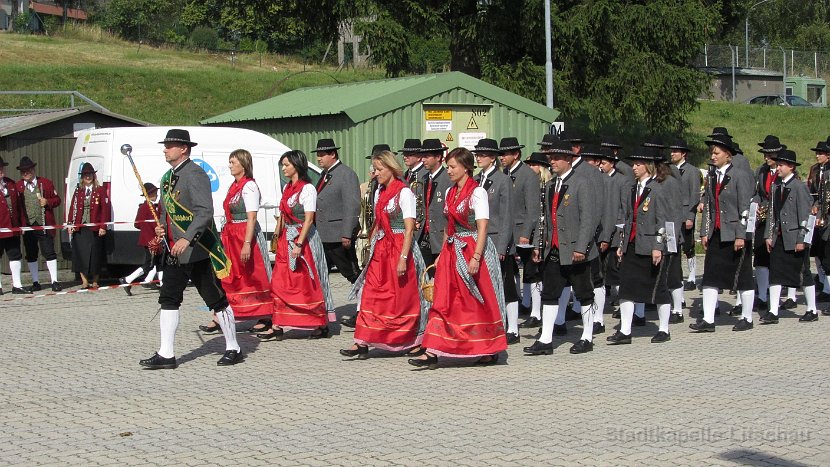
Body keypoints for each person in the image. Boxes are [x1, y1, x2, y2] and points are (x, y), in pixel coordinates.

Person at [139, 129, 243, 369]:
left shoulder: (195, 174)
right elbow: (166, 212)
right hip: (174, 249)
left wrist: (187, 238)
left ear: (183, 148)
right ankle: (167, 354)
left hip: (197, 248)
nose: (165, 149)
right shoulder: (167, 177)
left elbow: (204, 211)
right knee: (168, 297)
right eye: (165, 145)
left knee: (215, 298)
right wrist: (162, 229)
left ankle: (233, 346)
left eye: (169, 145)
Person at [408, 147, 507, 369]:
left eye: (453, 167)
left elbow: (482, 227)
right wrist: (443, 253)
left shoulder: (477, 192)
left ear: (466, 168)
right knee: (445, 299)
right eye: (448, 167)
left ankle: (486, 348)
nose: (449, 171)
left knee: (476, 301)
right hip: (454, 249)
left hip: (472, 247)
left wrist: (476, 257)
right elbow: (447, 227)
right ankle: (433, 350)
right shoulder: (451, 192)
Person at [340, 150, 429, 359]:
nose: (376, 173)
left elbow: (409, 229)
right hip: (381, 249)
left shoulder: (404, 193)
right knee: (371, 294)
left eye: (380, 169)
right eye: (375, 169)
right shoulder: (381, 192)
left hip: (399, 248)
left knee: (401, 298)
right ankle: (361, 341)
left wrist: (403, 258)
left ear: (391, 168)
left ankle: (411, 338)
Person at [523, 140, 599, 356]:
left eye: (556, 157)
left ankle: (587, 336)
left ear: (569, 159)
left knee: (584, 292)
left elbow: (588, 218)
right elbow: (544, 219)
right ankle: (546, 339)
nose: (552, 161)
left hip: (576, 250)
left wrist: (582, 247)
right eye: (550, 157)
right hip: (553, 248)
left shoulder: (581, 183)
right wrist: (539, 243)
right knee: (550, 293)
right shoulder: (549, 185)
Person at [259, 150, 334, 341]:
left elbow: (309, 219)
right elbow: (283, 215)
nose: (283, 168)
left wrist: (299, 243)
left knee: (306, 282)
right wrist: (277, 235)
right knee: (280, 281)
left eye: (286, 165)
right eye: (283, 165)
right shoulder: (287, 188)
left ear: (297, 165)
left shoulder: (307, 189)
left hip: (304, 240)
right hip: (287, 238)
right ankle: (278, 323)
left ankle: (319, 322)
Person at [199, 150, 274, 334]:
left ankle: (266, 315)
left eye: (233, 162)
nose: (230, 165)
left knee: (253, 276)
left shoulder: (249, 187)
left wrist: (247, 243)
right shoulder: (234, 186)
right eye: (230, 162)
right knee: (229, 276)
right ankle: (221, 315)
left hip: (245, 235)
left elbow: (252, 217)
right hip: (232, 235)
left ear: (243, 164)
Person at [607, 145, 672, 345]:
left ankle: (664, 328)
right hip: (632, 244)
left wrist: (658, 247)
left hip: (650, 244)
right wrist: (621, 242)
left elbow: (663, 221)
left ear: (648, 166)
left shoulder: (658, 189)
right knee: (627, 287)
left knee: (658, 288)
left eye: (638, 164)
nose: (634, 167)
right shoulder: (632, 188)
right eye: (633, 164)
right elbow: (627, 218)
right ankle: (625, 331)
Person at [692, 134, 756, 333]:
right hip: (717, 233)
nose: (713, 156)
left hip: (735, 233)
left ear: (728, 155)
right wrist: (704, 231)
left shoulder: (740, 175)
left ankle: (747, 316)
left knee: (743, 276)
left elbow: (746, 207)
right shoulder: (712, 176)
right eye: (712, 152)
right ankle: (708, 320)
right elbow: (710, 205)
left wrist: (740, 235)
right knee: (710, 276)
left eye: (717, 152)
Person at [762, 149, 820, 323]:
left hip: (795, 238)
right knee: (775, 273)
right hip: (779, 236)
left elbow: (806, 216)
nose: (778, 168)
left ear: (791, 167)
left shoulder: (799, 187)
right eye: (777, 164)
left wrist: (802, 239)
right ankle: (773, 311)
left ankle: (812, 309)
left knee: (803, 273)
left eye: (781, 165)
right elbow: (772, 213)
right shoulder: (776, 186)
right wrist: (768, 235)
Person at [472, 138, 518, 344]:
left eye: (483, 154)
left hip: (498, 238)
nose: (478, 157)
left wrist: (503, 245)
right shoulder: (475, 179)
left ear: (493, 158)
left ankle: (513, 327)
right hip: (480, 239)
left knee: (505, 283)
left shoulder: (503, 180)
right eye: (477, 154)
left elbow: (508, 215)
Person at [498, 137, 540, 322]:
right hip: (507, 232)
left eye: (505, 154)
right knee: (511, 271)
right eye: (500, 154)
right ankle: (519, 303)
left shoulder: (527, 175)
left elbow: (533, 209)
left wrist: (526, 233)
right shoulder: (504, 173)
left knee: (532, 272)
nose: (502, 157)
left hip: (522, 231)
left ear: (516, 154)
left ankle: (536, 312)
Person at [313, 138, 361, 284]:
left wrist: (347, 233)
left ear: (332, 154)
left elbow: (351, 205)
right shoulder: (325, 174)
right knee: (320, 273)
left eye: (322, 154)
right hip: (323, 234)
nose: (319, 158)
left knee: (351, 273)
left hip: (338, 234)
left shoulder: (346, 174)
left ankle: (367, 301)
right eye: (318, 154)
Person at [15, 156, 62, 292]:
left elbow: (57, 199)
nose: (26, 173)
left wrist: (47, 202)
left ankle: (54, 281)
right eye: (23, 171)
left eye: (28, 170)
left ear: (33, 169)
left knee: (49, 252)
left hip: (43, 223)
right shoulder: (18, 186)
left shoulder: (45, 183)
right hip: (28, 225)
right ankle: (36, 282)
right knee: (31, 253)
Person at [518, 152, 552, 330]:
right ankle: (530, 306)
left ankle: (536, 313)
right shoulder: (531, 185)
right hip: (530, 233)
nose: (530, 168)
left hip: (540, 235)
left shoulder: (547, 186)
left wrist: (540, 239)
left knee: (536, 272)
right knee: (530, 272)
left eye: (534, 165)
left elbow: (541, 216)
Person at [66, 162, 110, 289]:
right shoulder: (78, 190)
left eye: (90, 174)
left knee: (95, 254)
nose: (88, 177)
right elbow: (72, 208)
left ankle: (95, 280)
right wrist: (70, 224)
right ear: (82, 177)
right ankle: (84, 281)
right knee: (81, 255)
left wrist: (103, 226)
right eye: (85, 174)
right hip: (80, 227)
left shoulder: (100, 190)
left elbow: (105, 210)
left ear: (93, 175)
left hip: (94, 228)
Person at [669, 140, 703, 296]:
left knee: (688, 246)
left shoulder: (692, 171)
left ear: (684, 154)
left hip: (685, 213)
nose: (672, 154)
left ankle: (691, 276)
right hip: (672, 214)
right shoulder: (668, 169)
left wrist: (690, 215)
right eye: (672, 151)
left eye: (676, 151)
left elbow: (695, 194)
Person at [119, 183, 163, 296]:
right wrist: (149, 229)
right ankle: (127, 280)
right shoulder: (144, 207)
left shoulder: (155, 206)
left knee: (160, 262)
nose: (156, 194)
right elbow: (137, 224)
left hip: (156, 239)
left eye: (155, 192)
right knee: (149, 264)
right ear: (148, 195)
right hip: (150, 241)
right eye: (153, 193)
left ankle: (163, 284)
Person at [417, 139, 452, 268]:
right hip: (424, 237)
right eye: (422, 156)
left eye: (427, 156)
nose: (423, 160)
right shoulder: (424, 178)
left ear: (438, 157)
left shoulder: (448, 179)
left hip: (440, 237)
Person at [0, 156, 28, 294]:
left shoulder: (11, 184)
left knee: (15, 255)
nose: (1, 170)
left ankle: (17, 285)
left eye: (2, 167)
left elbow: (20, 207)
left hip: (12, 227)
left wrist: (21, 225)